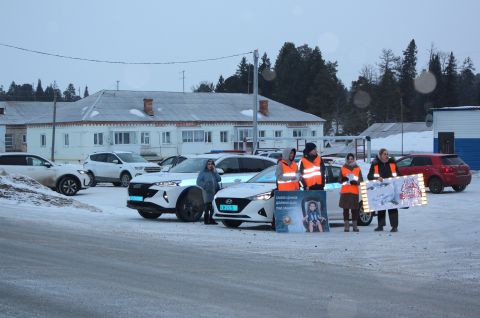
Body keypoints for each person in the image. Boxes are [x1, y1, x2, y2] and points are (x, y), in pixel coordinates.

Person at [367, 148, 401, 232]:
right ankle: (380, 226)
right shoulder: (375, 164)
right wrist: (377, 178)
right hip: (380, 189)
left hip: (391, 188)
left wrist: (398, 178)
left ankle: (394, 226)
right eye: (384, 154)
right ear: (380, 155)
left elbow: (399, 174)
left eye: (387, 154)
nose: (386, 155)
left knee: (392, 207)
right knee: (381, 207)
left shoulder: (392, 163)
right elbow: (369, 176)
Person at [339, 153, 363, 232]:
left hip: (354, 192)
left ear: (354, 159)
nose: (350, 160)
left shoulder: (358, 168)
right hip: (345, 191)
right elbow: (339, 180)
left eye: (352, 159)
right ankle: (346, 226)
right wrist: (343, 179)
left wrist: (356, 182)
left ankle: (355, 226)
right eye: (349, 159)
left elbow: (361, 180)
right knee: (345, 210)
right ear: (347, 159)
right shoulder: (343, 168)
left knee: (354, 210)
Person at [196, 159, 221, 225]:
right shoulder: (203, 172)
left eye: (211, 164)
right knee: (207, 205)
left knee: (213, 206)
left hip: (214, 191)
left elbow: (219, 179)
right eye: (209, 164)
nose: (210, 165)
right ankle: (206, 220)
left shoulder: (214, 172)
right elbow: (198, 182)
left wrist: (215, 172)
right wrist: (205, 186)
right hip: (206, 191)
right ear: (206, 165)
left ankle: (212, 219)